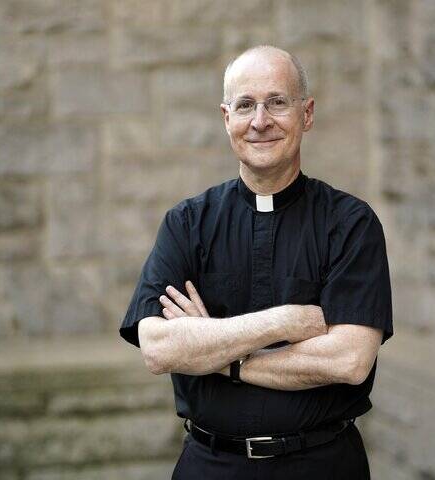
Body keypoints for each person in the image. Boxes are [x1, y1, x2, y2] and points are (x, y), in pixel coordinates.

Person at [119, 45, 393, 480]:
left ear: (307, 114)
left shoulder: (351, 224)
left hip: (321, 465)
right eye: (245, 105)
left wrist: (219, 355)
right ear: (227, 118)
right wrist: (283, 322)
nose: (260, 121)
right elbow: (158, 347)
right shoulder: (188, 223)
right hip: (210, 465)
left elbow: (349, 361)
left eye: (277, 102)